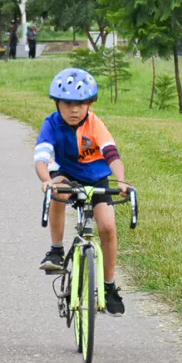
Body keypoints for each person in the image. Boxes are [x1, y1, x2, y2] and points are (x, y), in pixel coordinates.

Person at [34, 68, 131, 316]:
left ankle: (109, 287)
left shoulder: (95, 125)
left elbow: (112, 155)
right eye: (67, 103)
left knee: (108, 226)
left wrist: (121, 180)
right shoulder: (51, 124)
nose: (74, 109)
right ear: (57, 103)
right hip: (66, 173)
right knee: (59, 190)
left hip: (96, 178)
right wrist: (47, 180)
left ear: (89, 104)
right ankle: (56, 250)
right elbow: (42, 158)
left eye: (81, 103)